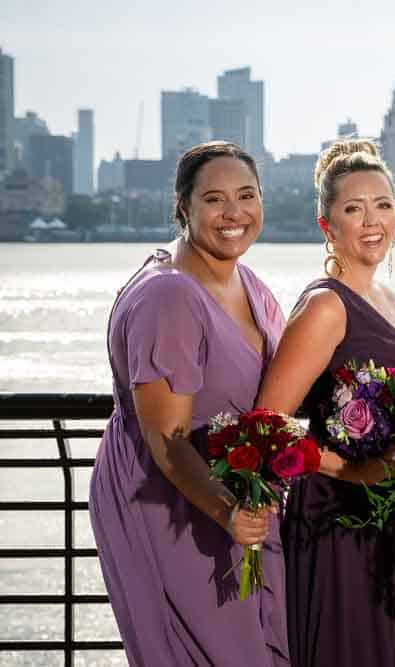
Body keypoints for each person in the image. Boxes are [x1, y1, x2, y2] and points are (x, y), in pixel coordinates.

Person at [89, 141, 288, 665]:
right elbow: (166, 438)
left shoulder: (251, 284)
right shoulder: (168, 297)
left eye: (247, 195)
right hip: (170, 503)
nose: (234, 213)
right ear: (183, 207)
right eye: (214, 199)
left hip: (234, 496)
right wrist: (226, 509)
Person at [254, 139, 395, 667]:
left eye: (383, 205)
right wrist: (355, 470)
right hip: (336, 515)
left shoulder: (387, 300)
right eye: (353, 208)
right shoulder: (325, 305)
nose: (372, 220)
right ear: (327, 225)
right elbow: (266, 428)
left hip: (386, 513)